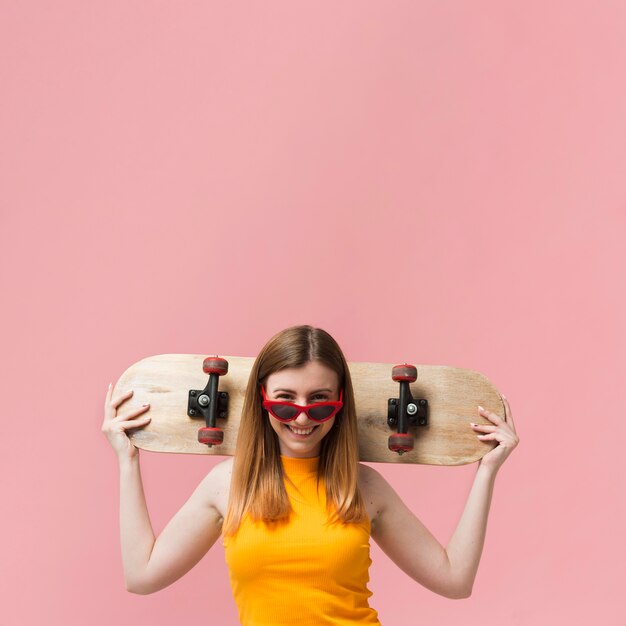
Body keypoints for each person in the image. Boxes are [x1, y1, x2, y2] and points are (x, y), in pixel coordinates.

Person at [102, 325, 518, 625]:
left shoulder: (363, 487)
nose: (302, 416)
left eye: (318, 401)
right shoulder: (227, 485)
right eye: (286, 401)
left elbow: (454, 579)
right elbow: (142, 575)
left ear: (339, 404)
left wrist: (487, 472)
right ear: (263, 402)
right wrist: (128, 461)